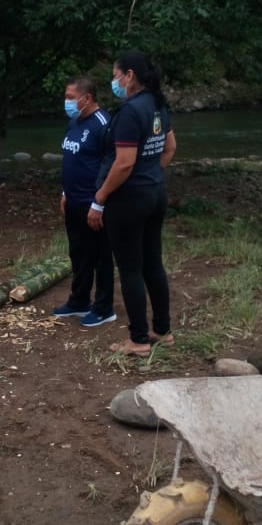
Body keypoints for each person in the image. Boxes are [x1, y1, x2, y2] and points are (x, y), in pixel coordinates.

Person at [88, 50, 176, 357]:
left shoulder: (129, 111)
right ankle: (162, 331)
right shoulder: (157, 104)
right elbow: (170, 147)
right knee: (152, 263)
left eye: (115, 76)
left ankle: (138, 339)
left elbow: (124, 163)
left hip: (128, 200)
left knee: (130, 269)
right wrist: (150, 174)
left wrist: (100, 197)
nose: (114, 82)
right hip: (154, 193)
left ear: (129, 76)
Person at [52, 76, 115, 328]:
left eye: (70, 97)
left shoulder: (103, 124)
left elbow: (111, 165)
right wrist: (65, 192)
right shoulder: (74, 122)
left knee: (100, 255)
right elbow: (72, 159)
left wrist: (99, 202)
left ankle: (104, 308)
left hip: (94, 203)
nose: (66, 102)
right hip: (73, 200)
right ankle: (79, 300)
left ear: (86, 98)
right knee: (78, 252)